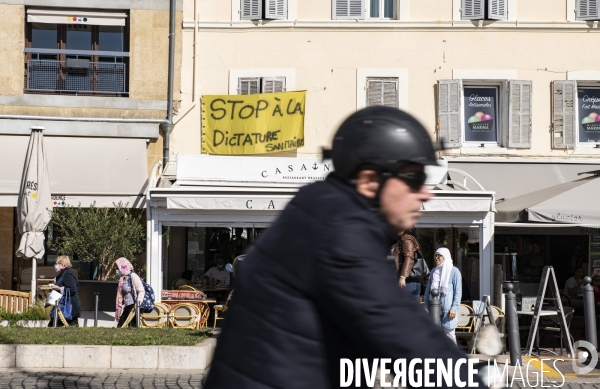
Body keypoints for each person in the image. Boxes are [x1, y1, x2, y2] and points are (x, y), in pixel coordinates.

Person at [205, 106, 482, 389]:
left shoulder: (324, 214)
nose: (425, 192)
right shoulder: (335, 234)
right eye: (412, 178)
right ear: (369, 180)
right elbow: (402, 333)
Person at [424, 248, 462, 344]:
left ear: (445, 257)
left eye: (439, 255)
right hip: (433, 308)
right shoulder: (433, 271)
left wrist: (454, 308)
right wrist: (426, 305)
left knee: (449, 335)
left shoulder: (454, 271)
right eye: (435, 255)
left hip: (448, 310)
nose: (436, 258)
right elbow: (428, 290)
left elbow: (458, 292)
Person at [48, 255, 80, 327]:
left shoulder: (68, 273)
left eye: (57, 263)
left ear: (62, 264)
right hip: (62, 306)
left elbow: (72, 290)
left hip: (68, 308)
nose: (55, 265)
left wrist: (59, 288)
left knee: (70, 328)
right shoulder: (62, 274)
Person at [393, 228, 423, 301]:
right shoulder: (408, 239)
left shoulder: (406, 238)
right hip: (412, 281)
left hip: (407, 282)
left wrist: (403, 276)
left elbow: (409, 258)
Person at [115, 257, 145, 328]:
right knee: (121, 326)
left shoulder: (132, 276)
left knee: (128, 327)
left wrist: (138, 304)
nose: (117, 269)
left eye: (118, 267)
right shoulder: (123, 278)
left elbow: (141, 290)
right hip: (127, 305)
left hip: (133, 305)